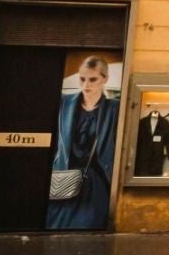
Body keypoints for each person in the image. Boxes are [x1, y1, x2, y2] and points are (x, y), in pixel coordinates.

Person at [47, 57, 120, 231]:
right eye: (82, 79)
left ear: (105, 79)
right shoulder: (64, 103)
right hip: (63, 176)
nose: (86, 84)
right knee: (56, 225)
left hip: (96, 180)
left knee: (91, 225)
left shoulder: (114, 108)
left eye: (93, 79)